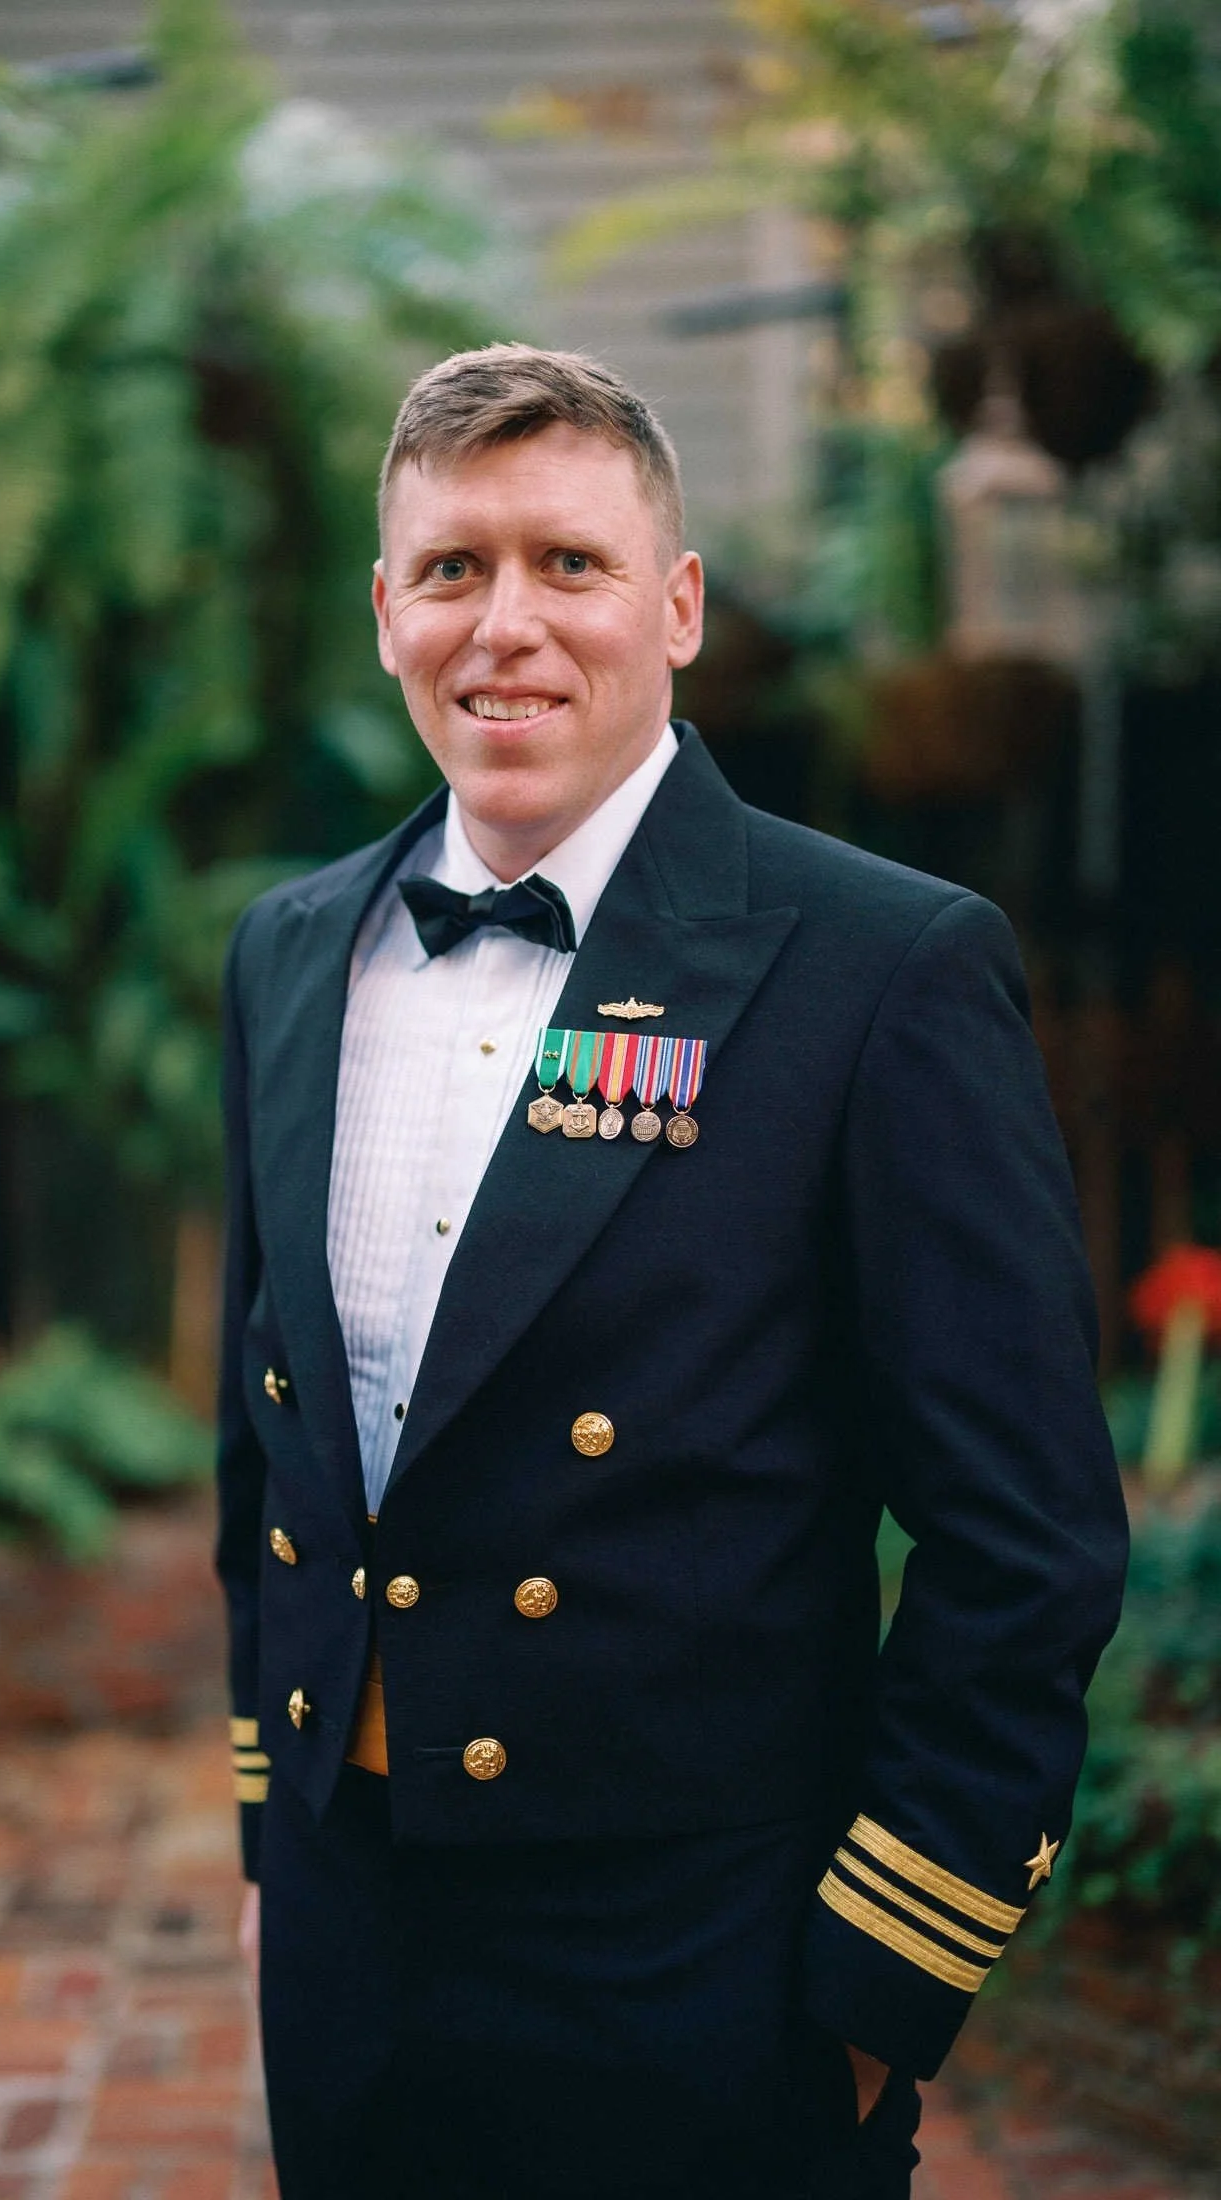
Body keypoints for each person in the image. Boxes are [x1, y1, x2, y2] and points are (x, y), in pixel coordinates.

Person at [214, 343, 1128, 2200]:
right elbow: (270, 1454)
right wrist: (270, 1842)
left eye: (571, 562)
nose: (508, 624)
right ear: (385, 613)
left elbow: (1024, 1536)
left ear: (680, 606)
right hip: (345, 1930)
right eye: (454, 569)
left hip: (698, 1961)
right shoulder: (290, 953)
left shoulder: (881, 968)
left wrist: (884, 1979)